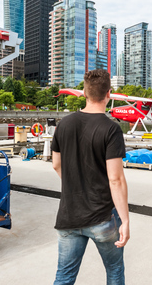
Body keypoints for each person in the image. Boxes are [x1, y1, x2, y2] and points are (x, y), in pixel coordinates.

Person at [51, 69, 129, 285]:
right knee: (114, 270)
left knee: (64, 276)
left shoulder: (63, 124)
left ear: (84, 92)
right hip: (102, 217)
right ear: (109, 94)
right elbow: (116, 179)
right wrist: (126, 220)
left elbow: (56, 164)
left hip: (68, 216)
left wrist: (76, 186)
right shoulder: (111, 129)